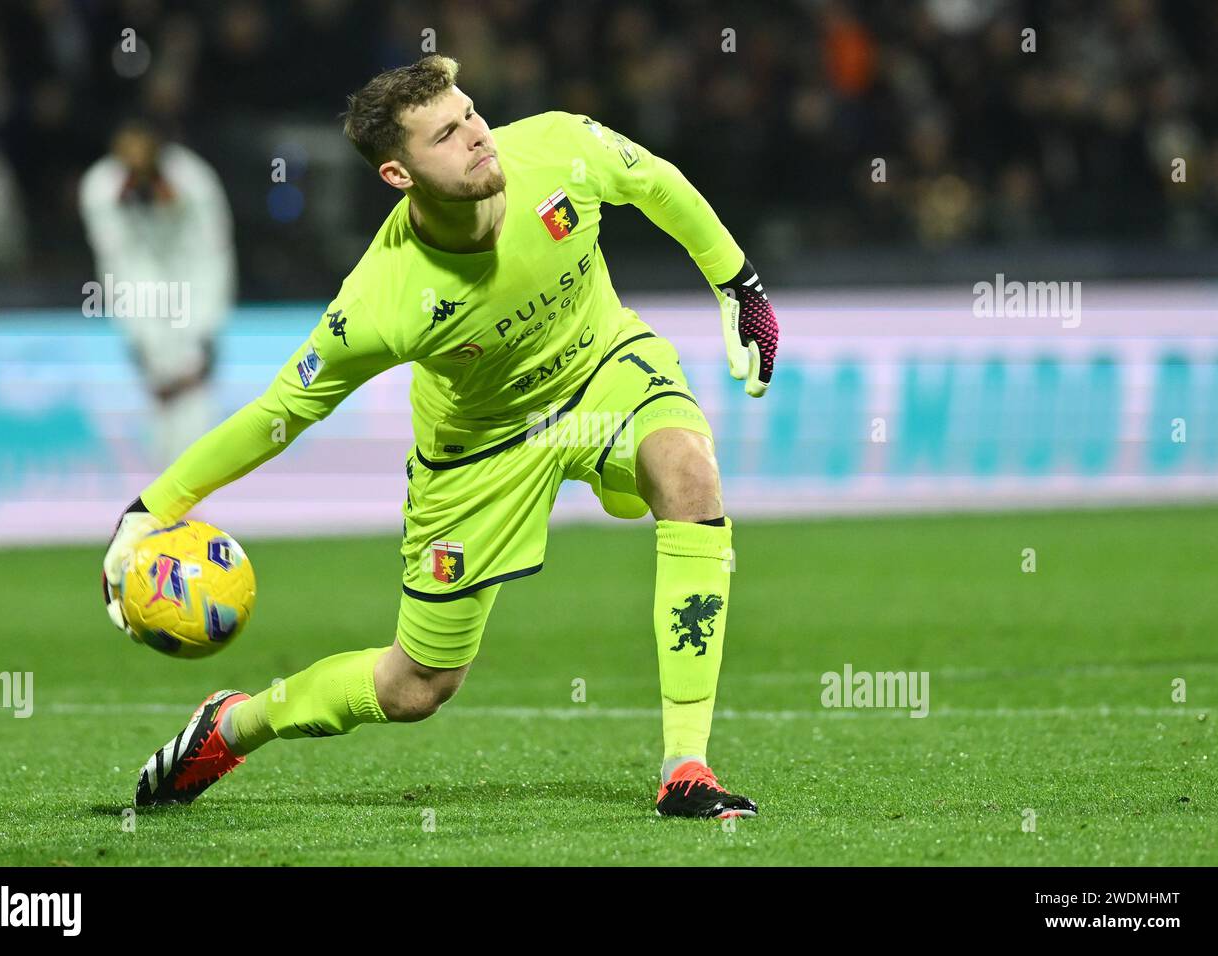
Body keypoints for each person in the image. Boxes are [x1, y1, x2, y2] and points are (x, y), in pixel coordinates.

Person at [103, 56, 778, 819]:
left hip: (605, 369)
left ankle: (685, 769)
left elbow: (654, 181)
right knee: (416, 686)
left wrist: (740, 285)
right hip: (481, 449)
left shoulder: (559, 147)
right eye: (447, 135)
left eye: (471, 115)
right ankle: (233, 726)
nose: (477, 138)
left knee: (688, 473)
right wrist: (149, 507)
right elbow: (278, 412)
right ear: (398, 173)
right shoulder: (382, 302)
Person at [79, 119, 236, 466]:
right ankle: (163, 489)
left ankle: (192, 489)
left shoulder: (192, 177)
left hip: (194, 284)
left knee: (193, 380)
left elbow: (215, 244)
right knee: (159, 387)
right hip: (140, 288)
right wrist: (133, 319)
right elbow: (114, 254)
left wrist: (210, 311)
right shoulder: (101, 185)